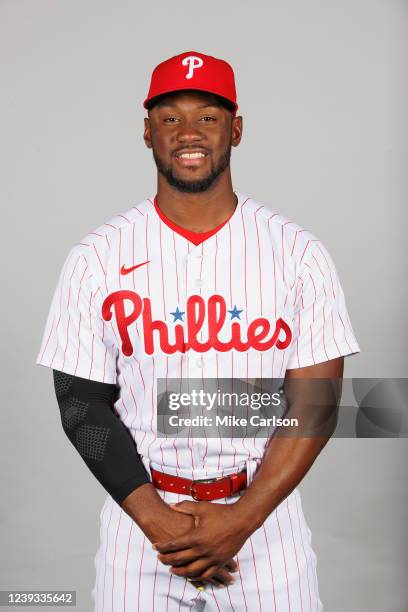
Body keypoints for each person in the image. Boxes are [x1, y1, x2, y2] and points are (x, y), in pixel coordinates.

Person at [37, 50, 360, 611]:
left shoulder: (297, 254)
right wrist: (157, 520)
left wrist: (242, 520)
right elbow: (80, 404)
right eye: (170, 117)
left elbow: (317, 404)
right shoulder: (96, 257)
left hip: (265, 524)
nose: (189, 132)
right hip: (140, 528)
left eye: (208, 116)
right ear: (147, 133)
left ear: (235, 128)